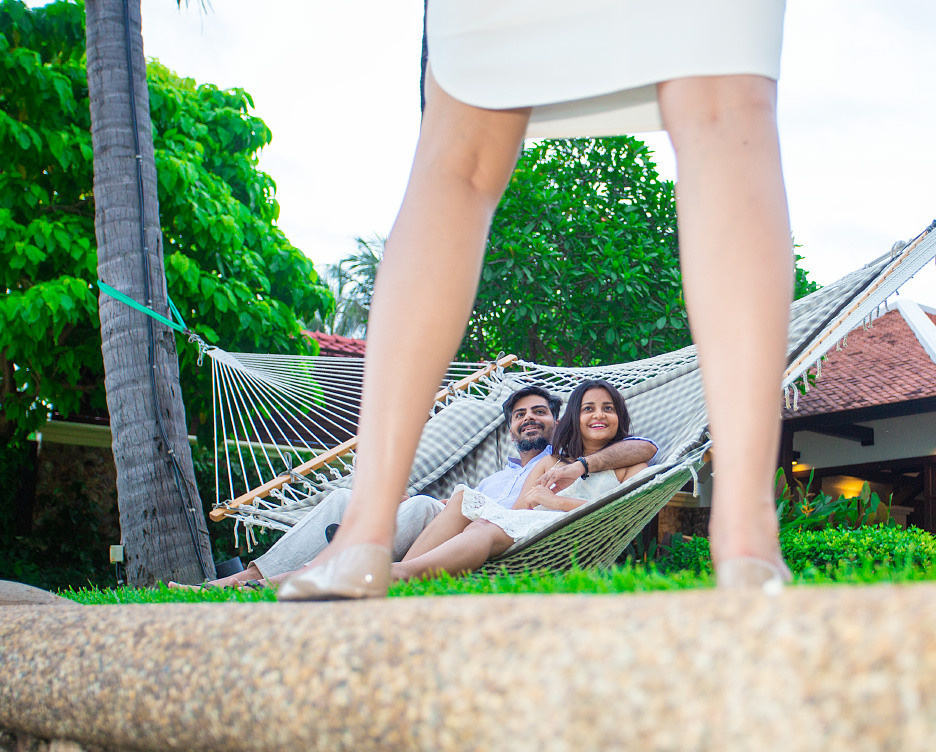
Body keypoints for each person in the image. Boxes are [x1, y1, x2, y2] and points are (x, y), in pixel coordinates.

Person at [279, 1, 794, 600]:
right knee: (461, 149)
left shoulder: (607, 457)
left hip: (531, 522)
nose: (598, 417)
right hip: (502, 514)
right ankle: (365, 536)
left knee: (723, 110)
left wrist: (578, 468)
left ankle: (745, 529)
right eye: (589, 410)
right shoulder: (550, 450)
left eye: (607, 409)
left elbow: (645, 449)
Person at [181, 385, 655, 590]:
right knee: (351, 498)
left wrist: (576, 472)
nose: (530, 419)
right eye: (520, 415)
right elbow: (522, 499)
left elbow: (643, 454)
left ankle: (332, 571)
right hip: (467, 509)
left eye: (540, 413)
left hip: (495, 522)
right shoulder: (530, 465)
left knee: (443, 510)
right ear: (510, 428)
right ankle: (257, 576)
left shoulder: (582, 460)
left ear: (558, 420)